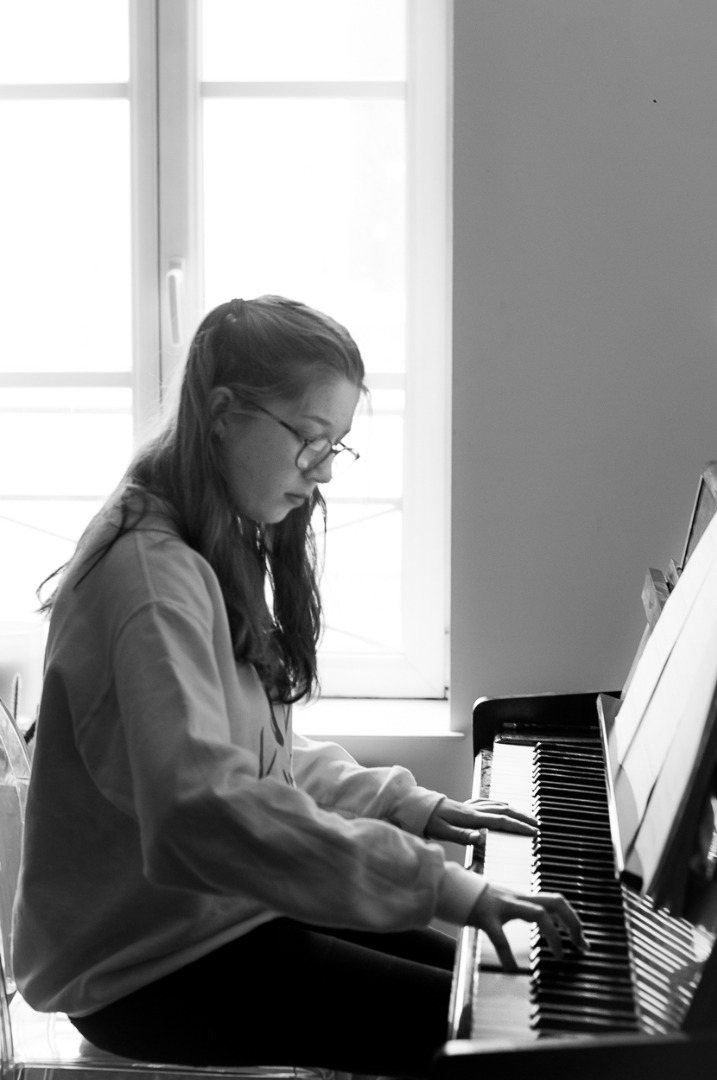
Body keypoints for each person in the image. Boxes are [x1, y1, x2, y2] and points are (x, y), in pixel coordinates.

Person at [12, 296, 585, 1078]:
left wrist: (409, 806)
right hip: (143, 968)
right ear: (223, 414)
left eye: (335, 446)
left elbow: (257, 759)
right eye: (309, 439)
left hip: (217, 918)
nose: (322, 472)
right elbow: (205, 809)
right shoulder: (151, 580)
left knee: (504, 997)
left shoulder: (202, 534)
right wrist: (441, 885)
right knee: (498, 1042)